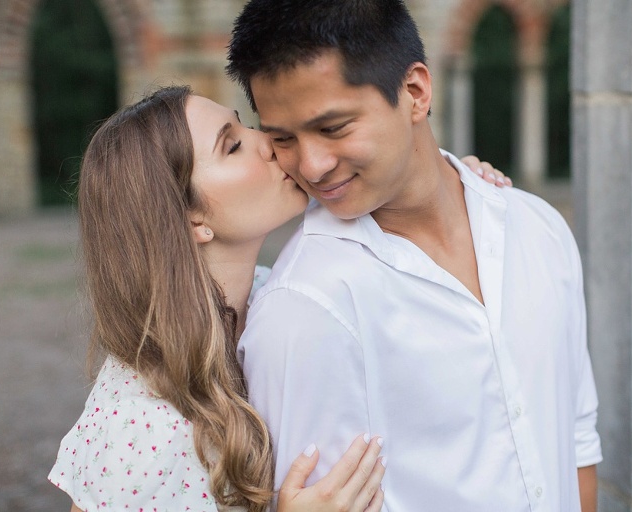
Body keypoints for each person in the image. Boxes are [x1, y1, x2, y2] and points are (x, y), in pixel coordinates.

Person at [47, 85, 503, 511]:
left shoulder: (274, 295)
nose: (267, 141)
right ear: (191, 219)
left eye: (245, 124)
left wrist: (447, 188)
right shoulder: (140, 428)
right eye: (232, 145)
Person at [226, 1, 602, 511]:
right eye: (282, 138)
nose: (312, 166)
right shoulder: (304, 306)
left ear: (415, 92)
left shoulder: (538, 229)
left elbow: (575, 440)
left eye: (333, 128)